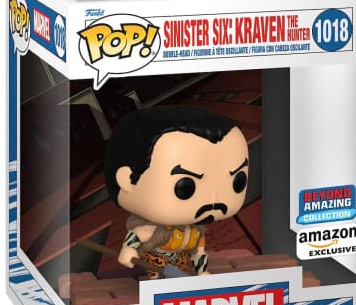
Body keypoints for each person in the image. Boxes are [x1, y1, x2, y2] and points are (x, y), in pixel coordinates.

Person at [104, 106, 249, 278]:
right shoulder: (156, 231)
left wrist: (202, 272)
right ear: (128, 179)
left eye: (238, 182)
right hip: (157, 261)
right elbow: (138, 235)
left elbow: (198, 253)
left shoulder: (195, 233)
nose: (214, 199)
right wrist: (128, 250)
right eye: (185, 188)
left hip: (180, 262)